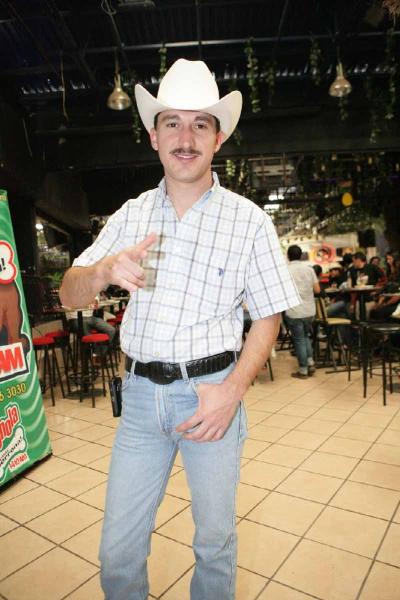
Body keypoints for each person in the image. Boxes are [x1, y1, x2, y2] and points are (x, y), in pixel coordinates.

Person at [59, 58, 300, 600]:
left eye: (200, 124)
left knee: (214, 543)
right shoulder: (130, 215)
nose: (185, 138)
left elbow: (269, 314)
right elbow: (69, 292)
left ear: (218, 138)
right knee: (118, 551)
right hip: (141, 400)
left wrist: (232, 391)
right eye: (172, 123)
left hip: (211, 395)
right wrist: (101, 271)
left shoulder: (248, 221)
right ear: (154, 136)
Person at [284, 245, 320, 378]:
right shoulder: (309, 269)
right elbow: (317, 290)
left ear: (288, 256)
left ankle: (303, 370)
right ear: (301, 256)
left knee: (299, 339)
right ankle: (310, 363)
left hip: (294, 311)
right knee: (305, 336)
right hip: (309, 311)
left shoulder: (285, 271)